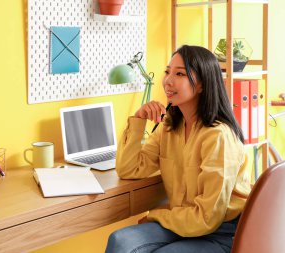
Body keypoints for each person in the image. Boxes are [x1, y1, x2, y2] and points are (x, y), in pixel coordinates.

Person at [105, 45, 251, 253]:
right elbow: (129, 169)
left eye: (180, 73)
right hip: (184, 221)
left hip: (221, 231)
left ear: (202, 84)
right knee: (120, 240)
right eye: (168, 72)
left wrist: (156, 215)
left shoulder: (218, 136)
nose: (168, 80)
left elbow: (207, 218)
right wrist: (138, 120)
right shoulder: (170, 125)